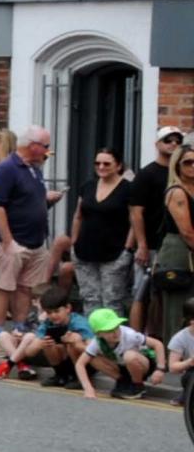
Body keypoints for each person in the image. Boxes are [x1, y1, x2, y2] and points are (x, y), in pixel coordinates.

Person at [0, 126, 58, 330]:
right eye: (45, 146)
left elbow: (27, 198)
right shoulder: (7, 168)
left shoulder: (34, 168)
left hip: (35, 241)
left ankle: (20, 329)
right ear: (33, 146)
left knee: (26, 288)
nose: (47, 150)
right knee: (4, 287)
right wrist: (8, 241)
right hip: (13, 241)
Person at [129, 126, 186, 333]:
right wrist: (142, 245)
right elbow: (136, 212)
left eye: (177, 140)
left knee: (165, 293)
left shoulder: (181, 174)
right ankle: (138, 339)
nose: (173, 144)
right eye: (168, 140)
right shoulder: (147, 174)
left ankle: (156, 335)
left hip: (173, 245)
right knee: (142, 293)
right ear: (157, 144)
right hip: (152, 244)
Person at [69, 147, 137, 317]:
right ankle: (92, 339)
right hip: (84, 251)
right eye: (97, 163)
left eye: (107, 163)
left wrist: (127, 249)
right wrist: (73, 243)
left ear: (118, 165)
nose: (101, 167)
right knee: (90, 298)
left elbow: (134, 221)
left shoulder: (128, 188)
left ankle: (113, 341)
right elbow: (78, 216)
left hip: (114, 253)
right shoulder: (88, 186)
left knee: (112, 301)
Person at [0, 284, 88, 384]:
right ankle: (60, 375)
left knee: (73, 340)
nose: (53, 315)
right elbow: (29, 352)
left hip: (84, 360)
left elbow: (91, 346)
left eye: (56, 311)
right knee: (47, 343)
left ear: (68, 308)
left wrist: (76, 342)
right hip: (53, 357)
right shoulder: (46, 323)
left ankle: (78, 377)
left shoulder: (79, 322)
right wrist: (40, 343)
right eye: (49, 312)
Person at [149, 144, 194, 352]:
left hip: (187, 248)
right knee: (178, 306)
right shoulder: (177, 191)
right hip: (179, 250)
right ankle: (174, 357)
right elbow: (186, 231)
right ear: (177, 166)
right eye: (188, 162)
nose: (193, 166)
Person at [74, 308, 156, 400]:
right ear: (98, 334)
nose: (114, 333)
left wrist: (160, 369)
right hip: (122, 365)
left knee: (129, 356)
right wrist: (88, 388)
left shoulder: (130, 335)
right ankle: (123, 381)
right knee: (92, 357)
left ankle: (138, 386)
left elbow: (158, 344)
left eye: (116, 327)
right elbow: (80, 364)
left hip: (143, 364)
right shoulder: (97, 342)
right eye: (108, 330)